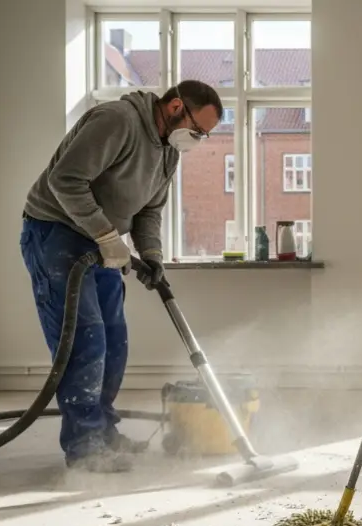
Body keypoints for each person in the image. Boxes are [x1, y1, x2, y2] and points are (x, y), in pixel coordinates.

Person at [20, 81, 223, 472]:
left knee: (114, 340)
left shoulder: (169, 150)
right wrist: (107, 236)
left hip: (102, 241)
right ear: (176, 106)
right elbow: (65, 180)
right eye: (198, 130)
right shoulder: (117, 121)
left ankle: (103, 431)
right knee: (86, 339)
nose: (197, 140)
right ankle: (84, 447)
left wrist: (151, 254)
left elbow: (149, 210)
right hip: (56, 233)